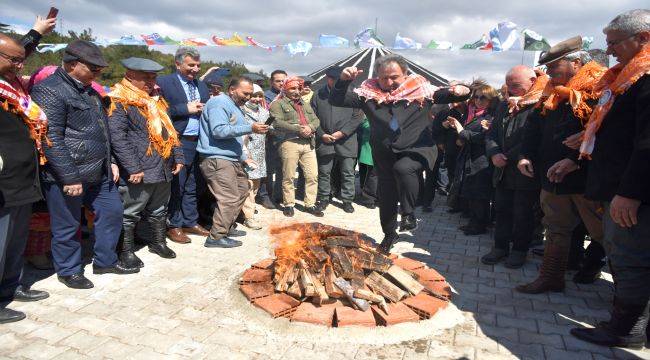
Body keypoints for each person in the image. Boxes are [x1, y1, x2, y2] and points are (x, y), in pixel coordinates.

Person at [329, 54, 470, 253]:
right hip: (384, 153)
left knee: (403, 168)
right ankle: (389, 234)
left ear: (405, 74)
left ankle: (408, 213)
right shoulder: (368, 94)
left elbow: (456, 94)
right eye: (384, 78)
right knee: (386, 196)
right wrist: (343, 80)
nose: (389, 82)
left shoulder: (423, 91)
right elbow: (337, 99)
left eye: (394, 77)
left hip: (417, 148)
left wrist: (463, 90)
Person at [570, 9, 650, 349]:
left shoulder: (644, 78)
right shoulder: (624, 79)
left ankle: (625, 330)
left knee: (630, 258)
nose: (609, 50)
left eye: (615, 43)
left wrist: (629, 192)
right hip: (619, 186)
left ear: (642, 39)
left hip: (632, 193)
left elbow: (647, 142)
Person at [32, 40, 138, 290]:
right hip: (67, 174)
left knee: (112, 212)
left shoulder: (91, 92)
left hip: (99, 171)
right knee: (67, 225)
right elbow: (51, 137)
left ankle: (105, 261)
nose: (98, 72)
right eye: (93, 67)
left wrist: (111, 161)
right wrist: (69, 177)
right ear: (71, 64)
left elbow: (103, 132)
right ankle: (69, 270)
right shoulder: (49, 90)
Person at [515, 36, 606, 294]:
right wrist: (525, 155)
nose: (549, 72)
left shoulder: (600, 89)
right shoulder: (550, 93)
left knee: (608, 237)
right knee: (555, 230)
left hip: (588, 179)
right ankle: (551, 277)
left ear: (576, 63)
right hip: (553, 179)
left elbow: (608, 134)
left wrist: (576, 161)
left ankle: (629, 306)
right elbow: (533, 128)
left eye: (554, 66)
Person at [0, 15, 56, 323]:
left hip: (23, 178)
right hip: (3, 182)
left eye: (23, 61)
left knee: (15, 241)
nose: (21, 66)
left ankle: (11, 287)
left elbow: (17, 53)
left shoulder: (12, 85)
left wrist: (36, 33)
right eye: (14, 61)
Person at [107, 57, 185, 268]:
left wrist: (178, 156)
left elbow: (170, 131)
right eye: (145, 78)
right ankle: (126, 251)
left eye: (153, 77)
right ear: (130, 76)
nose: (151, 82)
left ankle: (158, 242)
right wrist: (133, 167)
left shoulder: (156, 100)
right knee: (131, 211)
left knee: (160, 209)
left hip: (163, 165)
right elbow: (117, 137)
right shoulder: (119, 100)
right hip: (138, 168)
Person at [481, 65, 544, 267]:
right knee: (502, 210)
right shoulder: (503, 105)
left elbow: (533, 138)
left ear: (532, 82)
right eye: (508, 85)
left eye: (516, 85)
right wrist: (493, 153)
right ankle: (500, 247)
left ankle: (519, 250)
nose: (511, 90)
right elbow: (491, 134)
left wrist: (508, 155)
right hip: (502, 169)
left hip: (523, 170)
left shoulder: (541, 103)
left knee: (523, 213)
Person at [197, 76, 269, 248]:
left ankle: (226, 227)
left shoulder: (235, 106)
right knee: (228, 197)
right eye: (245, 93)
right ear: (231, 89)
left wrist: (244, 158)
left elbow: (235, 138)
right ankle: (216, 237)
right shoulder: (219, 103)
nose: (248, 97)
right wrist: (250, 127)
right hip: (217, 158)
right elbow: (219, 131)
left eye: (251, 94)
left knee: (243, 188)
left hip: (232, 158)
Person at [157, 47, 210, 244]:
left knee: (193, 184)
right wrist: (183, 109)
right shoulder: (163, 82)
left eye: (198, 65)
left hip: (198, 142)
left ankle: (190, 221)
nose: (195, 69)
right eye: (191, 65)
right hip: (176, 141)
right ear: (178, 64)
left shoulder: (201, 86)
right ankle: (174, 225)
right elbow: (156, 110)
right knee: (177, 185)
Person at [448, 82, 498, 236]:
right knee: (473, 192)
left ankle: (479, 225)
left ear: (491, 100)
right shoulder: (477, 115)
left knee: (479, 194)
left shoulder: (491, 117)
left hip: (481, 159)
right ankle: (475, 222)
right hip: (471, 157)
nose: (478, 100)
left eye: (483, 97)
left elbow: (481, 138)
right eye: (476, 97)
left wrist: (459, 128)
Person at [311, 66, 364, 213]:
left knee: (347, 172)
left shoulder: (353, 93)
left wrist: (343, 132)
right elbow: (312, 117)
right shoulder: (318, 94)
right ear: (328, 78)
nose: (335, 81)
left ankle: (347, 200)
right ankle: (323, 198)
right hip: (325, 140)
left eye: (338, 79)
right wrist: (321, 133)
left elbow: (358, 117)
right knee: (324, 172)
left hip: (346, 140)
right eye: (332, 79)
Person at [270, 76, 323, 217]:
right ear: (285, 89)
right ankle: (289, 204)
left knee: (312, 175)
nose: (296, 91)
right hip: (289, 142)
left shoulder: (305, 104)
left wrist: (310, 127)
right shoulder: (278, 104)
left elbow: (316, 120)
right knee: (289, 175)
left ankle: (310, 204)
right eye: (293, 88)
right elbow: (276, 123)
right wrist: (299, 129)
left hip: (308, 143)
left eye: (299, 88)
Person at [240, 84, 270, 230]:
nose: (257, 99)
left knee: (255, 185)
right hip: (246, 151)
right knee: (248, 186)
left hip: (259, 152)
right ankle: (248, 217)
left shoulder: (264, 112)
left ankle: (246, 211)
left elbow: (270, 128)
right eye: (254, 96)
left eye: (260, 96)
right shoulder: (241, 110)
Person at [259, 69, 288, 208]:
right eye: (278, 81)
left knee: (283, 168)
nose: (282, 84)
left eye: (284, 81)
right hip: (269, 137)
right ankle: (266, 196)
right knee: (268, 170)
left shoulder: (290, 95)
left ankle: (278, 195)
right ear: (271, 82)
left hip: (286, 137)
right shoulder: (264, 96)